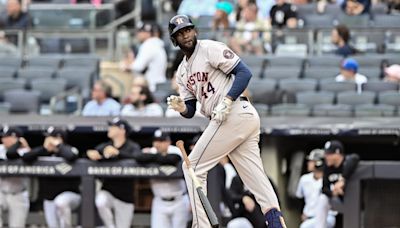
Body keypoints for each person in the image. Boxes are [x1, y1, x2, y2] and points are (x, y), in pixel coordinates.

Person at [166, 15, 286, 228]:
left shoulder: (209, 48)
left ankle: (201, 225)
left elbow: (244, 73)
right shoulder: (182, 72)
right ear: (174, 40)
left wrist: (228, 100)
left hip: (235, 113)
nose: (186, 35)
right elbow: (191, 109)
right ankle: (276, 221)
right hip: (234, 119)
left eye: (188, 30)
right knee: (254, 177)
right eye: (180, 33)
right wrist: (182, 107)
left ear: (195, 31)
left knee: (191, 166)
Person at [86, 118, 141, 228]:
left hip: (125, 196)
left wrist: (118, 153)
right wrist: (90, 154)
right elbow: (92, 154)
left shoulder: (132, 146)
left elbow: (139, 157)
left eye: (113, 127)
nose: (110, 129)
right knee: (100, 201)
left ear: (122, 130)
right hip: (108, 191)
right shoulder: (105, 146)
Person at [22, 126, 81, 228]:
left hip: (70, 195)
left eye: (50, 137)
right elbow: (26, 157)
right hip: (49, 198)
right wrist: (44, 149)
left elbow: (72, 155)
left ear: (59, 138)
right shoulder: (43, 151)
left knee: (61, 202)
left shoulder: (69, 149)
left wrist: (58, 146)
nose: (47, 139)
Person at [136, 130, 190, 228]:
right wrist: (158, 156)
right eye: (156, 141)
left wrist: (152, 157)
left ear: (168, 142)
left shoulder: (175, 150)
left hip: (179, 200)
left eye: (161, 141)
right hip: (159, 201)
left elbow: (173, 158)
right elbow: (139, 157)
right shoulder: (151, 151)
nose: (158, 144)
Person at [315, 140, 360, 228]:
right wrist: (333, 192)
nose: (326, 157)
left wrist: (343, 180)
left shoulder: (347, 161)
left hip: (356, 202)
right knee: (323, 198)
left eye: (329, 154)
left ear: (338, 153)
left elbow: (355, 157)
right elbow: (324, 188)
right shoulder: (328, 168)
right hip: (340, 201)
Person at [121, 22, 167, 92]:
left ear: (148, 33)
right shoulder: (157, 44)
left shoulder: (148, 44)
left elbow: (138, 67)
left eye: (141, 31)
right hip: (160, 84)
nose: (138, 34)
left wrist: (126, 66)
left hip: (151, 86)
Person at [296, 149, 336, 228]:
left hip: (327, 217)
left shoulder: (330, 179)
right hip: (309, 218)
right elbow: (299, 196)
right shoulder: (304, 179)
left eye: (311, 161)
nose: (308, 163)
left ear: (318, 163)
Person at [0, 126, 30, 228]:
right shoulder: (0, 149)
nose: (3, 139)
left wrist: (19, 144)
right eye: (3, 137)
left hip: (18, 193)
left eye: (7, 137)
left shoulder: (24, 151)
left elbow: (12, 154)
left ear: (16, 138)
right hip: (1, 192)